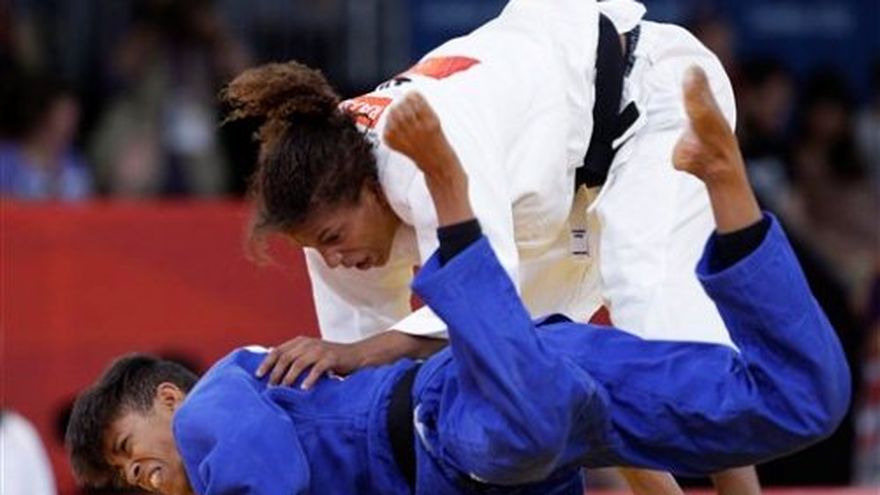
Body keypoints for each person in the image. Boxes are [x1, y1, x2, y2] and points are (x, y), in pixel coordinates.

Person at [66, 66, 850, 495]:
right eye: (127, 480)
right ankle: (732, 194)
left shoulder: (213, 404)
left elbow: (267, 475)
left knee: (529, 415)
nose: (140, 477)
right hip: (519, 414)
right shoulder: (306, 339)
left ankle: (453, 202)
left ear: (169, 398)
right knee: (803, 400)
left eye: (131, 449)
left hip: (452, 424)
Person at [225, 0, 757, 490]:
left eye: (333, 239)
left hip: (651, 96)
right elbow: (374, 387)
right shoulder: (330, 189)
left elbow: (482, 295)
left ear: (370, 189)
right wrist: (351, 368)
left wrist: (359, 352)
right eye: (315, 248)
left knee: (652, 304)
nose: (334, 258)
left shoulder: (418, 152)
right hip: (556, 175)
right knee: (550, 365)